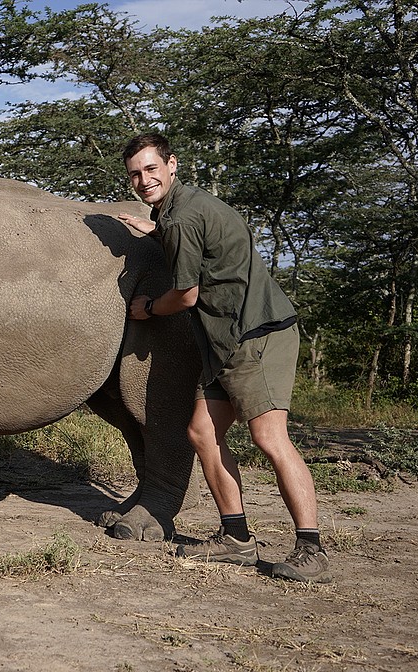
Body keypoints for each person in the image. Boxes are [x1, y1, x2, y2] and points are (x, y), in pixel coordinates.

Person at [115, 132, 329, 584]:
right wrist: (156, 231)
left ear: (172, 164)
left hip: (255, 334)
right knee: (200, 432)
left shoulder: (182, 216)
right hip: (225, 340)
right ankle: (236, 538)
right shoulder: (180, 209)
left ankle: (312, 548)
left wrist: (148, 308)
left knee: (270, 438)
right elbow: (199, 250)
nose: (144, 179)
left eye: (151, 169)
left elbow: (187, 295)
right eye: (136, 173)